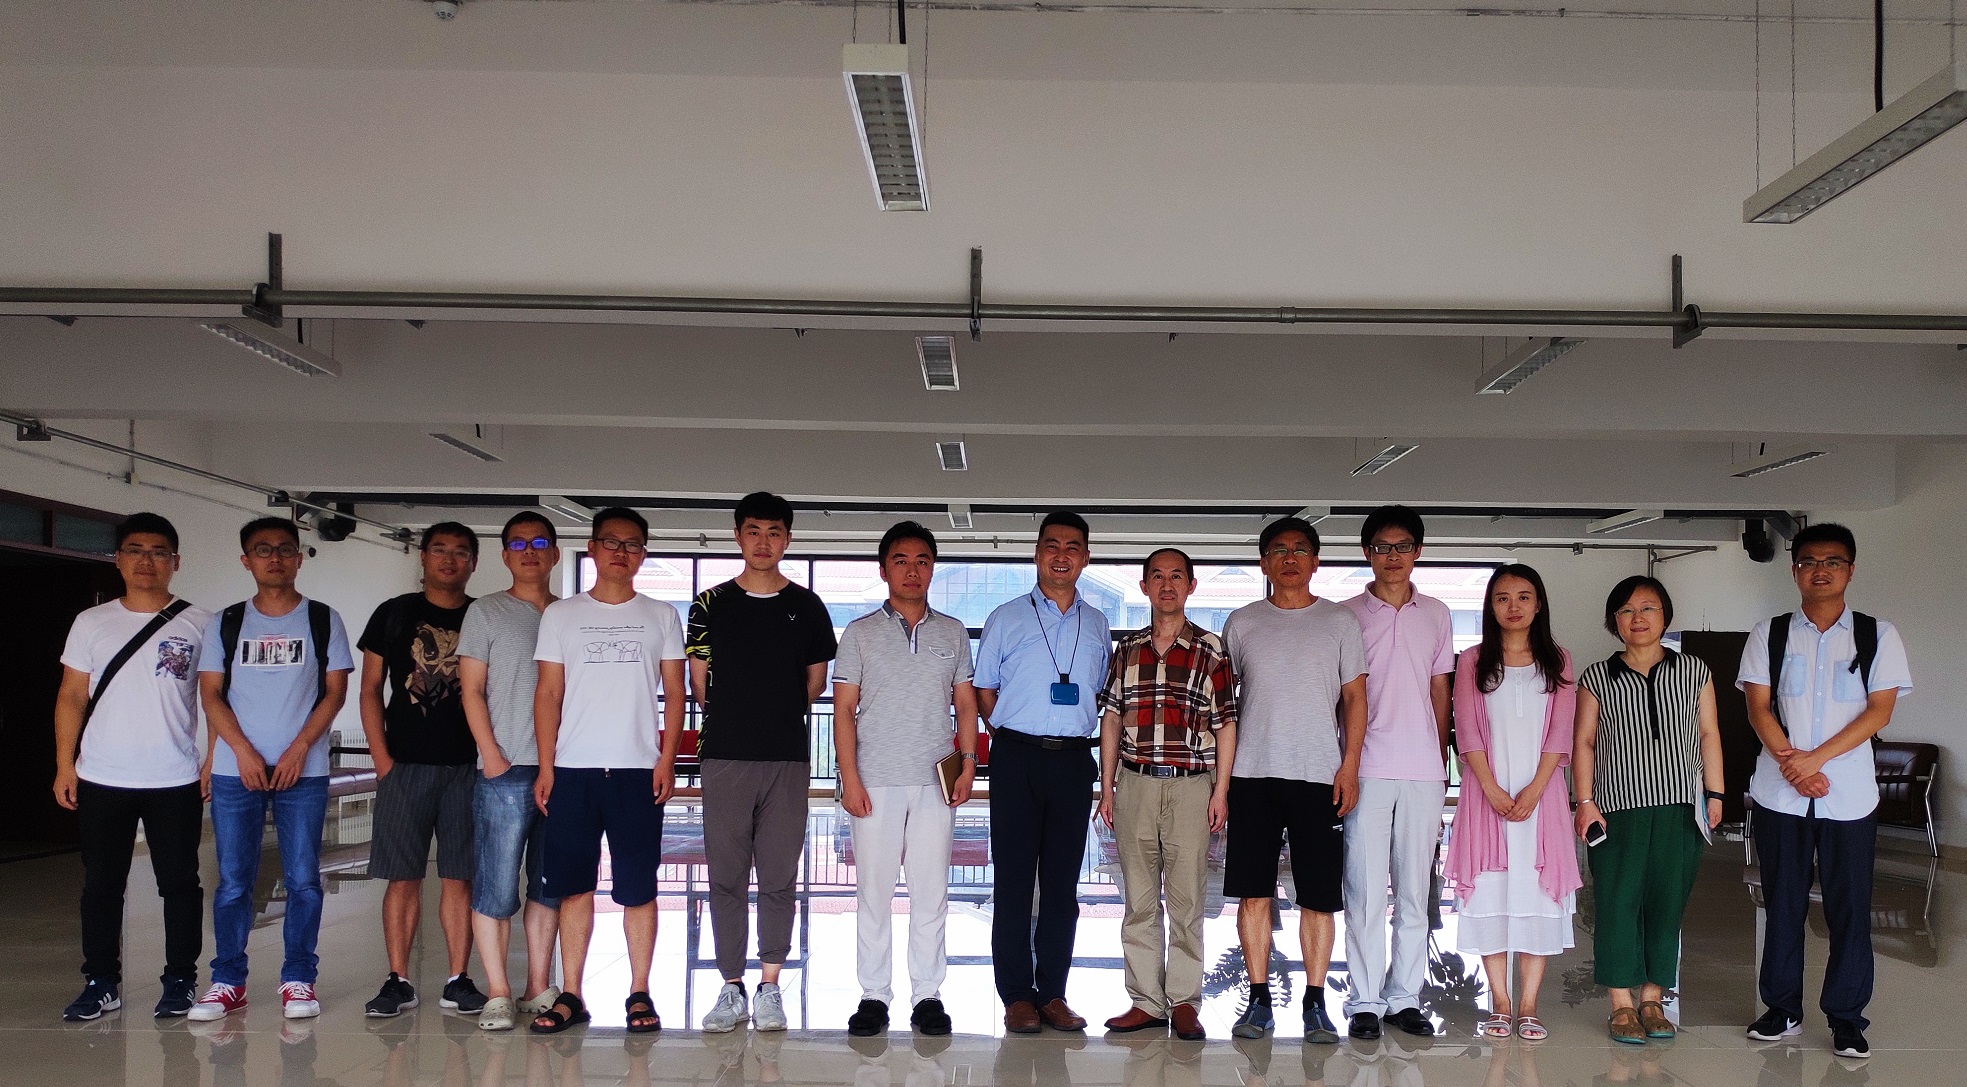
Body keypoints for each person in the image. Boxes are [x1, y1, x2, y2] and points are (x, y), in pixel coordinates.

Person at [1738, 523, 1910, 1060]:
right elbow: (1758, 707)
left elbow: (1879, 711)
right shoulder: (1769, 633)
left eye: (1832, 561)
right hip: (1780, 794)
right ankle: (1781, 1009)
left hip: (1849, 795)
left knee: (1850, 909)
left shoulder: (1878, 635)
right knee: (1782, 902)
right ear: (1794, 571)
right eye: (1809, 561)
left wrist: (1814, 760)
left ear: (1850, 571)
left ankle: (1846, 1018)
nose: (1820, 570)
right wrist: (1795, 767)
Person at [528, 506, 686, 1034]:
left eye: (633, 544)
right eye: (611, 542)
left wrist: (666, 759)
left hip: (638, 771)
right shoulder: (561, 615)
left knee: (639, 887)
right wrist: (546, 766)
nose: (621, 552)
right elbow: (548, 693)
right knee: (574, 886)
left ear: (644, 554)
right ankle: (572, 993)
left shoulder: (661, 615)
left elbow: (675, 692)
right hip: (572, 769)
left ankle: (639, 991)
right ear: (592, 548)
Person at [190, 517, 354, 1022]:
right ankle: (227, 982)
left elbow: (335, 693)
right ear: (247, 561)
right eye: (263, 550)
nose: (275, 558)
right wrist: (240, 751)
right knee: (233, 881)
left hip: (302, 772)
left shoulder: (323, 619)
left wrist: (300, 748)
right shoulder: (226, 621)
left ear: (299, 558)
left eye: (285, 549)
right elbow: (210, 694)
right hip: (234, 770)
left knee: (303, 879)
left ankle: (299, 979)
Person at [54, 513, 213, 1021]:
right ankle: (101, 982)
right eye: (136, 550)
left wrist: (212, 759)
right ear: (119, 560)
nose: (147, 561)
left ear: (176, 562)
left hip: (175, 777)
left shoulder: (201, 623)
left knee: (180, 884)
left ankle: (181, 980)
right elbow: (72, 695)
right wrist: (64, 765)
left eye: (159, 551)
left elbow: (216, 700)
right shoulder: (91, 622)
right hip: (102, 776)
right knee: (102, 885)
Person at [689, 492, 838, 1033]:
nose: (763, 541)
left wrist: (772, 712)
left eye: (774, 532)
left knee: (779, 875)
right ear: (737, 536)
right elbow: (700, 685)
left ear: (788, 539)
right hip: (725, 756)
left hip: (785, 759)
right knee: (726, 877)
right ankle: (731, 986)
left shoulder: (808, 606)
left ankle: (770, 985)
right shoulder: (709, 605)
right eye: (753, 530)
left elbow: (814, 683)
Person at [1219, 516, 1365, 1045]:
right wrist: (1221, 781)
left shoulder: (1340, 621)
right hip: (1252, 774)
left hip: (1318, 775)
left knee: (1318, 897)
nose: (1289, 557)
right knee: (1253, 894)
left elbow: (1355, 698)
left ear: (1315, 561)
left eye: (1300, 549)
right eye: (1278, 549)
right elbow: (1224, 705)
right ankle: (1259, 999)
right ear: (1264, 562)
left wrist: (1349, 765)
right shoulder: (1242, 623)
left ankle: (1315, 1003)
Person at [834, 521, 979, 1038]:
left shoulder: (953, 632)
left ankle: (927, 995)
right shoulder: (859, 633)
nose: (912, 570)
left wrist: (968, 763)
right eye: (901, 560)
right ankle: (874, 995)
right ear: (884, 570)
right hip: (874, 780)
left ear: (932, 568)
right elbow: (843, 710)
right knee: (874, 893)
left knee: (931, 891)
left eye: (922, 560)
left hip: (935, 781)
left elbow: (966, 704)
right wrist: (849, 778)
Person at [974, 511, 1112, 1034]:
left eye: (1072, 547)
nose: (1061, 555)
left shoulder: (1097, 623)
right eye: (1051, 545)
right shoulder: (1006, 617)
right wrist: (1015, 733)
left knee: (1062, 884)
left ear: (1085, 558)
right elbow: (985, 690)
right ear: (1036, 554)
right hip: (1016, 758)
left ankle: (1052, 992)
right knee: (1013, 882)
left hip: (1073, 760)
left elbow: (1100, 692)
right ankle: (1016, 995)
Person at [1573, 575, 1724, 1045]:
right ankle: (1621, 1002)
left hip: (1681, 806)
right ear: (1614, 621)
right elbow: (1584, 742)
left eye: (1648, 608)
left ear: (1665, 615)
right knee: (1617, 903)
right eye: (1626, 610)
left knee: (1667, 903)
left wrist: (1716, 794)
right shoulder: (1597, 676)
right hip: (1616, 808)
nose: (1637, 618)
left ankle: (1653, 998)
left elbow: (1709, 733)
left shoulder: (1694, 670)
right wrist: (1584, 802)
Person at [1096, 547, 1238, 1042]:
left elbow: (1226, 724)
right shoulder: (1128, 649)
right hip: (1134, 783)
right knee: (1138, 901)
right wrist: (1107, 787)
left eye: (1177, 576)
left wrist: (1221, 791)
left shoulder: (1210, 650)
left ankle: (1183, 1002)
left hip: (1191, 787)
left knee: (1187, 900)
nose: (1167, 584)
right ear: (1144, 587)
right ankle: (1145, 1002)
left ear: (1191, 586)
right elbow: (1112, 717)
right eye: (1157, 576)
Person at [1441, 564, 1580, 1043]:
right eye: (1502, 598)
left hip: (1543, 798)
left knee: (1537, 896)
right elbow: (1466, 730)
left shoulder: (1558, 660)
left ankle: (1528, 1006)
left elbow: (1561, 732)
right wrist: (1492, 789)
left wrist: (1536, 789)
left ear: (1538, 604)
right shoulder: (1472, 660)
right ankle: (1500, 1003)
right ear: (1490, 606)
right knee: (1491, 895)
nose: (1513, 606)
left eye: (1523, 597)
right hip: (1487, 798)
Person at [1337, 506, 1455, 1040]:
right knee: (1363, 891)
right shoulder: (1345, 615)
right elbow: (1339, 696)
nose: (1392, 556)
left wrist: (1440, 758)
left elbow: (1440, 689)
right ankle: (1364, 1000)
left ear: (1418, 552)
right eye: (1382, 547)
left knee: (1414, 892)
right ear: (1367, 553)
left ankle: (1404, 997)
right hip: (1365, 768)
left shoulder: (1437, 613)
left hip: (1423, 771)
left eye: (1402, 546)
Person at [358, 522, 485, 1018]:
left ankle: (458, 979)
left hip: (468, 768)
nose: (449, 560)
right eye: (439, 550)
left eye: (460, 552)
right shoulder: (394, 613)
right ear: (423, 557)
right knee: (402, 876)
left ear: (473, 562)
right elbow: (370, 689)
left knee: (460, 877)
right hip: (405, 766)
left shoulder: (483, 615)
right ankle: (398, 980)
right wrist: (382, 760)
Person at [459, 512, 564, 1031]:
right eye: (518, 544)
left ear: (556, 554)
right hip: (505, 768)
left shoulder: (569, 614)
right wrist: (492, 755)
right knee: (496, 885)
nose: (529, 551)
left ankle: (537, 986)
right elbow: (471, 689)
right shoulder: (486, 611)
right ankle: (498, 991)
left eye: (540, 543)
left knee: (547, 884)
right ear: (504, 556)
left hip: (562, 769)